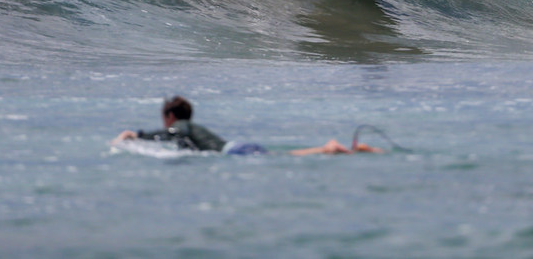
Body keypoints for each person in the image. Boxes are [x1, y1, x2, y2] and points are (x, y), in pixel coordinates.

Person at [112, 96, 381, 155]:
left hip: (235, 152)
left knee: (283, 157)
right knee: (282, 157)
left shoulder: (181, 126)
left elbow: (170, 134)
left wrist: (136, 134)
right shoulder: (192, 129)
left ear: (170, 116)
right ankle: (346, 150)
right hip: (238, 147)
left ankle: (329, 149)